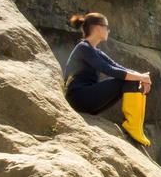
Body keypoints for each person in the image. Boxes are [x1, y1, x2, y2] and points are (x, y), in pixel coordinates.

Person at [64, 12, 153, 146]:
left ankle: (136, 127)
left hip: (87, 100)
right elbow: (109, 70)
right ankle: (133, 127)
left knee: (132, 78)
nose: (109, 30)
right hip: (77, 98)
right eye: (107, 27)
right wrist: (141, 77)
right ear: (98, 28)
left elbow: (118, 66)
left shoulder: (95, 51)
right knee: (129, 79)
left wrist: (142, 78)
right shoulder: (83, 48)